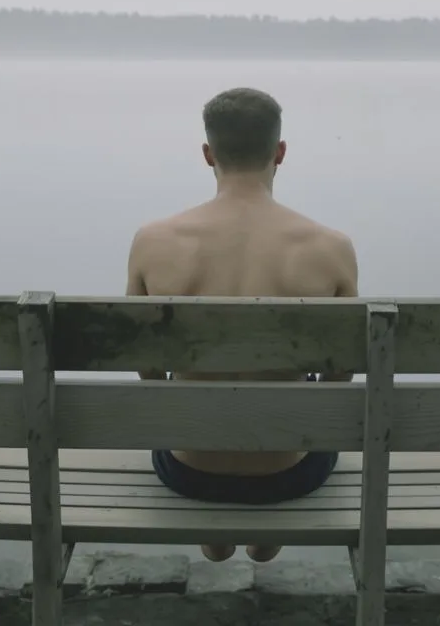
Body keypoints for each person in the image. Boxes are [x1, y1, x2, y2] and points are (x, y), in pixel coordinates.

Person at [123, 87, 359, 563]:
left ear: (208, 154)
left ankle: (215, 536)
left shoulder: (153, 242)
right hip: (289, 471)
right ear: (281, 152)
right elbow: (343, 373)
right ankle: (266, 533)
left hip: (188, 469)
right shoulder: (330, 248)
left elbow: (146, 370)